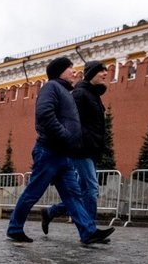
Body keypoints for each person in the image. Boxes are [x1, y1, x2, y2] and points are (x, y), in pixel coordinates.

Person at [6, 56, 114, 245]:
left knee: (73, 195)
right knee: (33, 192)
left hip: (64, 155)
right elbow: (44, 115)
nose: (75, 71)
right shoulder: (51, 88)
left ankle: (88, 232)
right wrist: (65, 135)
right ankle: (14, 228)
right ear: (60, 71)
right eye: (70, 68)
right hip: (49, 151)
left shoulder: (66, 92)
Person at [42, 61, 108, 232]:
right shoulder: (80, 93)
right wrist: (80, 141)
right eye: (102, 71)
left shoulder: (94, 95)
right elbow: (71, 121)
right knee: (92, 189)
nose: (105, 74)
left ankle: (51, 212)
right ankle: (90, 229)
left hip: (92, 149)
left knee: (81, 192)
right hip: (82, 148)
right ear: (92, 73)